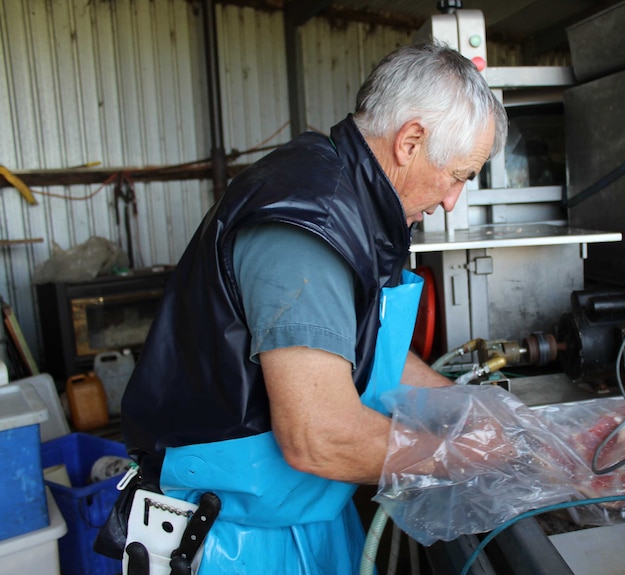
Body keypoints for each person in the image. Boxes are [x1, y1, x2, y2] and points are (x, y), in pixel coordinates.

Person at [114, 41, 508, 573]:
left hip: (302, 515)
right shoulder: (309, 225)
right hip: (235, 538)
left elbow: (369, 361)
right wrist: (466, 456)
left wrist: (465, 408)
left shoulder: (355, 205)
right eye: (458, 174)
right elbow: (318, 435)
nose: (451, 200)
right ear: (410, 141)